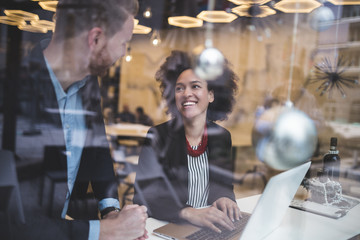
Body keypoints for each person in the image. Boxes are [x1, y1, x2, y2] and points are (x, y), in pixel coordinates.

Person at [16, 0, 147, 239]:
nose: (123, 53)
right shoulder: (13, 95)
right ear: (95, 39)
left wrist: (110, 211)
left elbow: (96, 150)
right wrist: (105, 231)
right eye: (123, 43)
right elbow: (11, 223)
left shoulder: (88, 83)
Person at [133, 50, 241, 233]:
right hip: (171, 226)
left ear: (212, 95)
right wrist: (187, 213)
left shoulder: (221, 136)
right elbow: (144, 197)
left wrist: (225, 198)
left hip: (208, 227)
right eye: (179, 88)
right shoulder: (158, 136)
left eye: (195, 86)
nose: (186, 93)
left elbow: (223, 186)